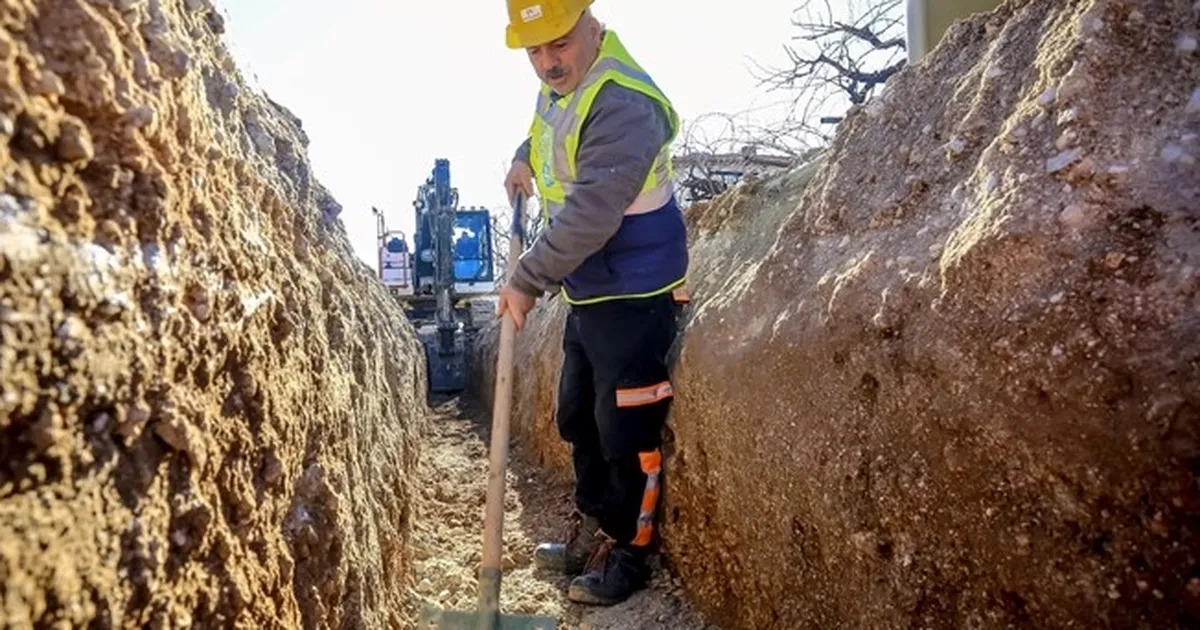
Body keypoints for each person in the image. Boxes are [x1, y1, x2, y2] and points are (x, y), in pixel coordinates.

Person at [495, 0, 689, 607]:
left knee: (624, 429)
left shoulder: (624, 103)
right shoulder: (566, 86)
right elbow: (550, 129)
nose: (547, 64)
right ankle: (597, 526)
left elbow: (592, 214)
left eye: (559, 44)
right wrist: (523, 157)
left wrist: (527, 278)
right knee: (578, 417)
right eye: (534, 51)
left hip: (634, 293)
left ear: (592, 26)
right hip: (591, 289)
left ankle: (630, 551)